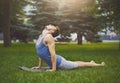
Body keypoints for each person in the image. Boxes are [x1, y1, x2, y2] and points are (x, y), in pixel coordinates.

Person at [32, 24, 105, 71]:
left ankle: (98, 65)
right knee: (74, 63)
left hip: (60, 63)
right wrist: (39, 66)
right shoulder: (41, 37)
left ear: (52, 31)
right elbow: (40, 53)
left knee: (77, 65)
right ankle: (90, 62)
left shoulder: (49, 37)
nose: (50, 24)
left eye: (52, 25)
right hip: (57, 61)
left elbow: (53, 54)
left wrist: (53, 69)